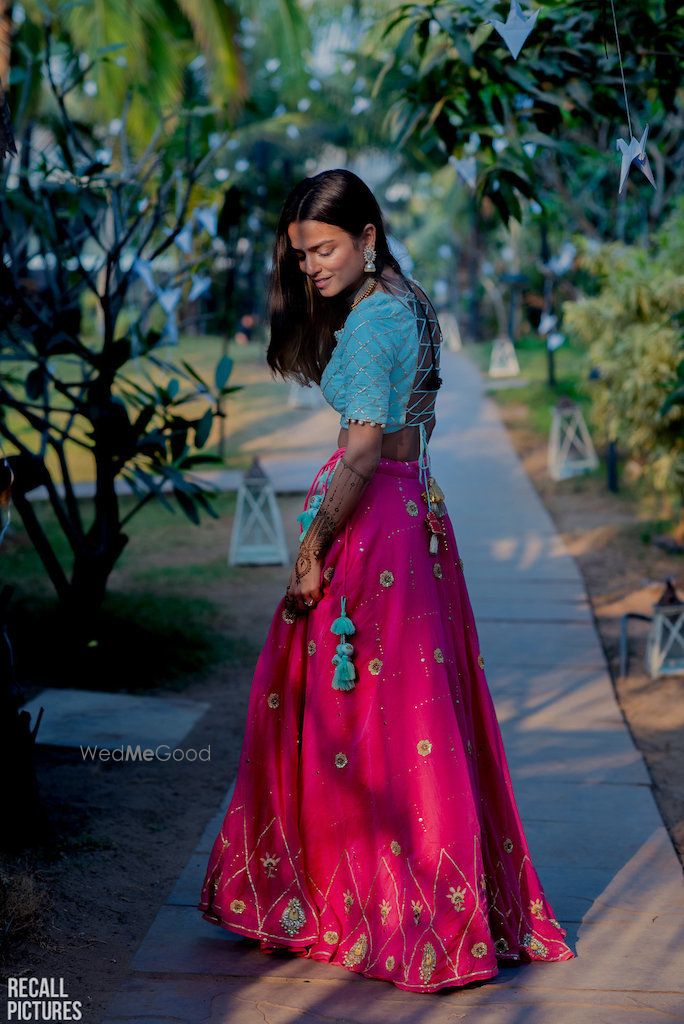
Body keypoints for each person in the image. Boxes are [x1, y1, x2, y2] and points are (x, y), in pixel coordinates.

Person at [197, 168, 576, 993]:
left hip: (372, 528)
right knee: (410, 716)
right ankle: (413, 910)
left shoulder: (373, 321)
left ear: (368, 236)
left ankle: (368, 909)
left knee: (344, 719)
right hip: (418, 519)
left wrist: (311, 550)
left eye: (325, 249)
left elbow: (363, 450)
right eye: (301, 255)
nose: (311, 267)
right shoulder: (411, 301)